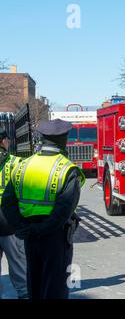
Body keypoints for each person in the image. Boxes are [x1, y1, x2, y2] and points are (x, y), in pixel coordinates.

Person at [1, 119, 85, 299]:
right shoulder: (67, 169)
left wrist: (22, 228)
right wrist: (41, 229)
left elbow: (7, 202)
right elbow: (63, 211)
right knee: (55, 285)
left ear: (42, 138)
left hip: (29, 235)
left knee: (35, 282)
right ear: (64, 139)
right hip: (55, 237)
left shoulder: (22, 165)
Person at [0, 128, 28, 299]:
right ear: (3, 141)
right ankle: (24, 294)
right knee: (19, 265)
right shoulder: (16, 163)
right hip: (8, 220)